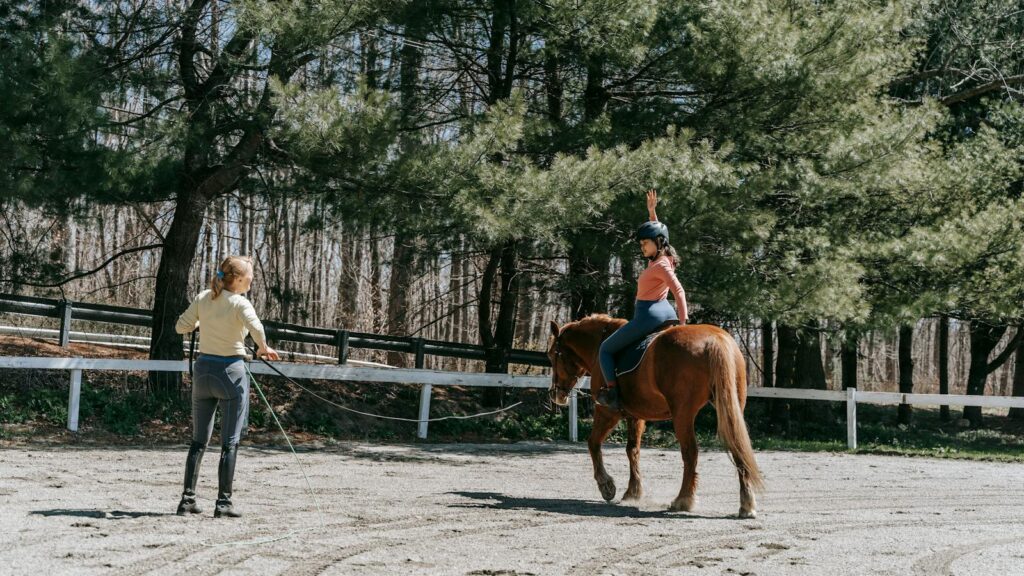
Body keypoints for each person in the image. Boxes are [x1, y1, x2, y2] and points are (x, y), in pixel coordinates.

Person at [174, 255, 279, 518]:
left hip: (203, 373)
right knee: (229, 442)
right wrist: (264, 348)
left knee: (198, 440)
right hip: (230, 373)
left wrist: (201, 323)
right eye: (250, 277)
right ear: (240, 280)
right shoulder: (240, 303)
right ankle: (223, 504)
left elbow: (180, 327)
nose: (252, 280)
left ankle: (187, 500)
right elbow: (256, 327)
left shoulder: (204, 297)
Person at [596, 190, 689, 410]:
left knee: (605, 350)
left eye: (645, 243)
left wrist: (684, 324)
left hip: (648, 316)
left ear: (658, 243)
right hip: (664, 312)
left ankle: (612, 393)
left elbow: (679, 291)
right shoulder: (662, 258)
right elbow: (659, 232)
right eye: (641, 244)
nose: (642, 247)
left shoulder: (661, 265)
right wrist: (652, 212)